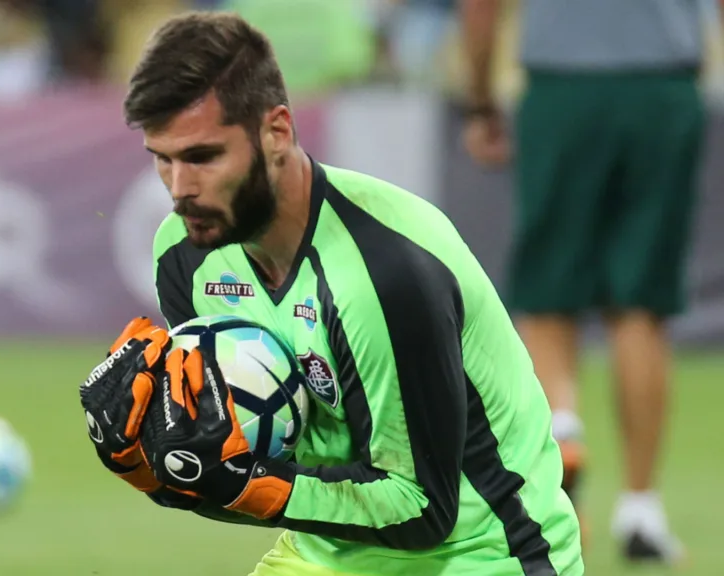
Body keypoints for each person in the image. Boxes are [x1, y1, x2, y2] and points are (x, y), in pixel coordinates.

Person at [79, 11, 582, 576]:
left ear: (277, 132)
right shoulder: (184, 251)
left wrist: (240, 487)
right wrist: (162, 468)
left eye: (202, 157)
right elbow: (239, 458)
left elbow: (420, 510)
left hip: (481, 553)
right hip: (323, 556)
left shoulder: (386, 273)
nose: (180, 189)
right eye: (162, 159)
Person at [459, 0, 719, 563]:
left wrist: (479, 99)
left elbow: (480, 7)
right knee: (642, 306)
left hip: (561, 91)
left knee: (548, 293)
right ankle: (641, 507)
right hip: (663, 88)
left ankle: (563, 426)